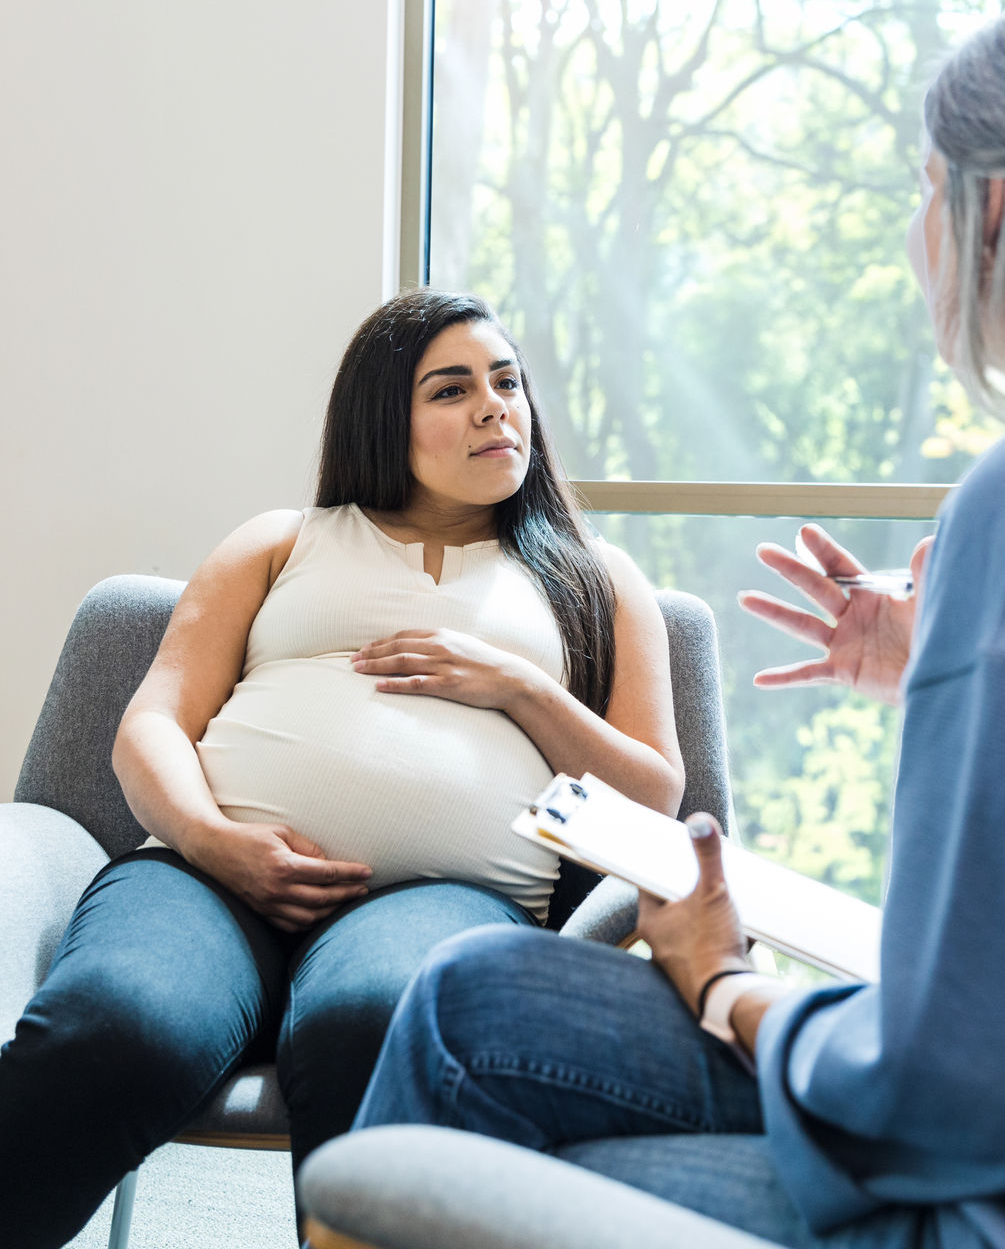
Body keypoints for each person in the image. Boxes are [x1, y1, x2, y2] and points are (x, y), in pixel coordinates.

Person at [351, 0, 1005, 1249]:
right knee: (478, 1000)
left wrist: (728, 984)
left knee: (454, 1101)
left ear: (990, 207)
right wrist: (956, 660)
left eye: (921, 190)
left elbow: (975, 1090)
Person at [0, 290, 684, 1248]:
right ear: (380, 417)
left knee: (373, 1022)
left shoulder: (595, 580)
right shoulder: (284, 540)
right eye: (452, 389)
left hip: (447, 897)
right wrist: (211, 838)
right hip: (204, 878)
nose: (496, 407)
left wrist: (521, 689)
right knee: (113, 1026)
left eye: (508, 381)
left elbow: (655, 795)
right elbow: (152, 721)